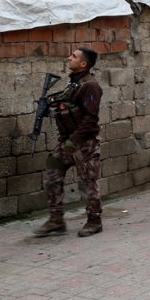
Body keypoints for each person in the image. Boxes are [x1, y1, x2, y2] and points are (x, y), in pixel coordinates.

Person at [33, 47, 104, 238]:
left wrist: (75, 140)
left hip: (84, 144)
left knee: (87, 183)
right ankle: (56, 220)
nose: (68, 58)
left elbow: (91, 118)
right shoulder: (73, 84)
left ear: (83, 64)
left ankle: (94, 221)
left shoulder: (90, 87)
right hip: (67, 142)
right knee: (52, 173)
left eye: (73, 56)